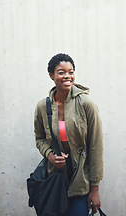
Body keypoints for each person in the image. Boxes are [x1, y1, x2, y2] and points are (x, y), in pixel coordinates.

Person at [34, 53, 103, 216]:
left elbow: (96, 147)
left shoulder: (87, 104)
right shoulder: (43, 107)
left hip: (81, 182)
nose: (67, 76)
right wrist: (50, 155)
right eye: (61, 72)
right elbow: (40, 138)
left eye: (71, 72)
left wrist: (95, 189)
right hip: (55, 180)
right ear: (51, 75)